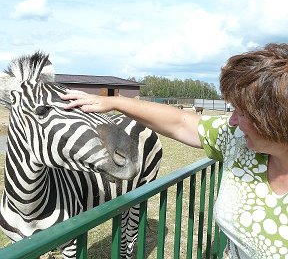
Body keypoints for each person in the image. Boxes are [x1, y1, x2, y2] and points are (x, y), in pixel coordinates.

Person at [61, 43, 288, 259]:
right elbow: (181, 122)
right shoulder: (237, 141)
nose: (232, 121)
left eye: (242, 113)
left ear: (274, 120)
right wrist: (115, 102)